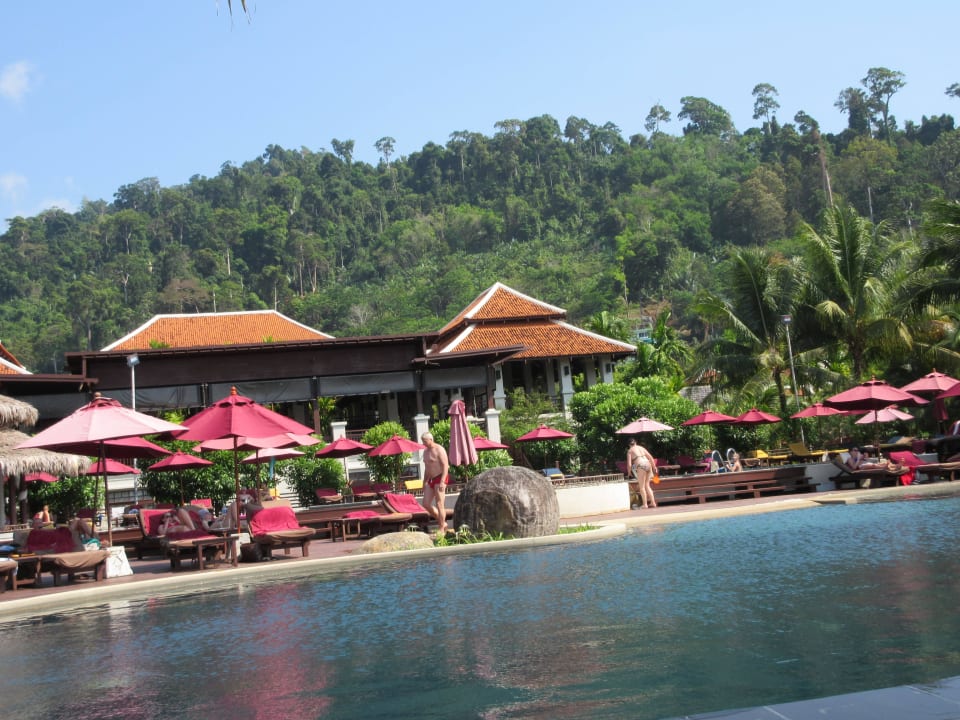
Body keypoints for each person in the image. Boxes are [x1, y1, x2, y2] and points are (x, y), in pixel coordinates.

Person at [421, 432, 450, 534]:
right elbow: (427, 468)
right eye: (422, 441)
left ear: (431, 439)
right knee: (426, 504)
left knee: (439, 504)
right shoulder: (425, 452)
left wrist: (442, 481)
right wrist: (424, 481)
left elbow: (445, 466)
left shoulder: (439, 449)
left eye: (425, 441)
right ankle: (443, 522)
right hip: (431, 479)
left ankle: (441, 528)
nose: (423, 443)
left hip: (440, 477)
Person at [627, 438, 657, 509]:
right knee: (647, 485)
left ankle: (645, 504)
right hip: (648, 464)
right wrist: (654, 467)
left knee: (642, 487)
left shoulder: (630, 451)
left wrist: (629, 473)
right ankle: (653, 502)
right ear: (635, 443)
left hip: (641, 465)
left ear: (629, 445)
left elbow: (629, 464)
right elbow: (650, 457)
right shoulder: (641, 448)